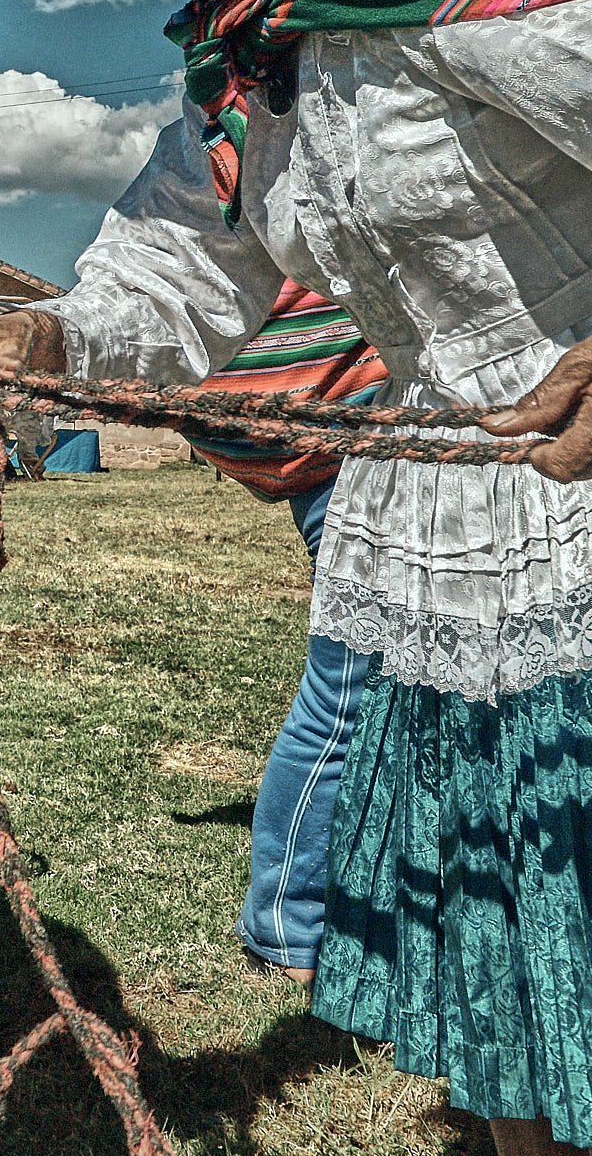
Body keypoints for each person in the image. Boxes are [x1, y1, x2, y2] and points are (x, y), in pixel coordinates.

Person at [0, 0, 592, 1155]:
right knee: (506, 982)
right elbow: (182, 262)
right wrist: (45, 336)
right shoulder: (262, 56)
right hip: (462, 562)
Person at [187, 280, 386, 988]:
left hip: (361, 446)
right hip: (355, 453)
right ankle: (287, 924)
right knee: (349, 694)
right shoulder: (237, 193)